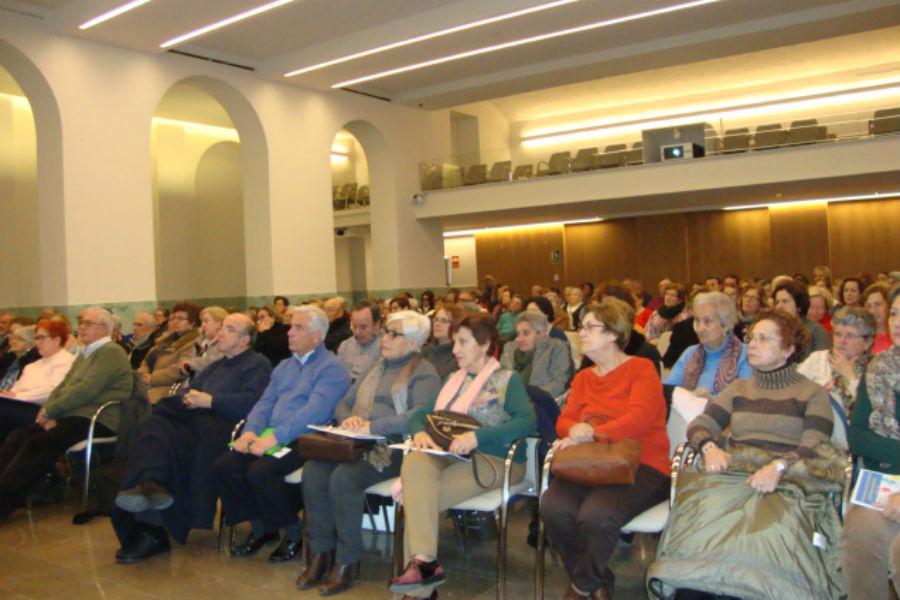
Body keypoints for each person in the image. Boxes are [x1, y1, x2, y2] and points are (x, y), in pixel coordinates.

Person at [648, 309, 839, 598]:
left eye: (764, 339)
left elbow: (814, 445)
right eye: (752, 338)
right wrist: (709, 447)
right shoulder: (739, 388)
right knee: (700, 529)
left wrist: (778, 467)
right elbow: (701, 424)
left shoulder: (811, 393)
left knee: (763, 536)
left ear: (789, 349)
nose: (753, 344)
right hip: (734, 476)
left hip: (786, 481)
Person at [388, 314, 536, 598]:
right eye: (455, 342)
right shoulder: (453, 379)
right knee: (416, 460)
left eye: (463, 342)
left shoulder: (507, 379)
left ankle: (418, 591)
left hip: (495, 459)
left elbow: (527, 422)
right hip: (451, 454)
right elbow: (420, 416)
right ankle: (425, 565)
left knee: (418, 498)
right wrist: (421, 432)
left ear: (485, 344)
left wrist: (478, 437)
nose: (455, 349)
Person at [111, 313, 272, 562]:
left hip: (222, 427)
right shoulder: (217, 365)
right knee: (154, 426)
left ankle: (151, 523)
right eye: (223, 328)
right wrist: (187, 397)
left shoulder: (257, 364)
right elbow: (191, 389)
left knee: (171, 446)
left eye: (230, 329)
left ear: (245, 340)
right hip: (193, 420)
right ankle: (149, 485)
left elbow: (254, 402)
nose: (221, 334)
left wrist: (211, 401)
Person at [300, 311, 440, 595]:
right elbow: (343, 403)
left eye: (394, 334)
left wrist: (373, 425)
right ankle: (320, 553)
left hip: (394, 447)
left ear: (414, 343)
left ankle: (347, 561)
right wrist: (349, 420)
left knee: (344, 478)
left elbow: (421, 415)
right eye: (386, 331)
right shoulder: (376, 367)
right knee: (314, 471)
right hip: (356, 441)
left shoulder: (424, 371)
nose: (385, 338)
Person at [541, 300, 669, 600]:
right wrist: (574, 429)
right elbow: (564, 420)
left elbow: (639, 419)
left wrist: (592, 434)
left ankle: (581, 587)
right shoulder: (584, 377)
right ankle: (594, 578)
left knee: (597, 515)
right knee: (552, 507)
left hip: (641, 463)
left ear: (613, 333)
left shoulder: (641, 369)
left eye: (589, 327)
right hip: (590, 462)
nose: (580, 333)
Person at [213, 306, 351, 563]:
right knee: (225, 466)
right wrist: (250, 432)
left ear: (317, 336)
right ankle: (262, 527)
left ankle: (294, 532)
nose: (290, 333)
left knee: (261, 471)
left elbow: (314, 413)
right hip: (272, 433)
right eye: (290, 326)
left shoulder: (332, 369)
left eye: (298, 328)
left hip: (307, 438)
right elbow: (264, 404)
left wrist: (275, 438)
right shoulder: (284, 367)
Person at [0, 307, 133, 522]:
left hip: (96, 419)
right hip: (73, 414)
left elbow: (85, 390)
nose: (81, 327)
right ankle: (11, 493)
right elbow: (64, 386)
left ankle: (4, 502)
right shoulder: (86, 352)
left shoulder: (111, 352)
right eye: (82, 322)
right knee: (19, 436)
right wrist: (47, 411)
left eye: (88, 323)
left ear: (104, 328)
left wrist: (52, 410)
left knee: (39, 444)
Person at [841, 285, 900, 600]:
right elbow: (858, 435)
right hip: (883, 482)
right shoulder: (878, 369)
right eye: (893, 314)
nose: (897, 322)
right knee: (859, 537)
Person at [799, 307, 875, 449]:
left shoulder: (876, 368)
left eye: (850, 336)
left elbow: (874, 412)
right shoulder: (817, 360)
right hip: (818, 444)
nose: (842, 341)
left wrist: (850, 376)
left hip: (858, 448)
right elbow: (795, 395)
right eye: (838, 334)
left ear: (868, 342)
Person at [664, 292, 751, 413]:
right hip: (687, 420)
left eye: (707, 322)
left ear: (725, 325)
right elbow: (668, 391)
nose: (699, 328)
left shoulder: (744, 354)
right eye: (697, 321)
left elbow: (745, 399)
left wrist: (708, 401)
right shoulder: (691, 353)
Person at [0, 320, 75, 443]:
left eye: (42, 338)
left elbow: (53, 391)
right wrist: (7, 394)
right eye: (36, 338)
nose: (37, 342)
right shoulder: (33, 365)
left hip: (43, 412)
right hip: (19, 406)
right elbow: (16, 389)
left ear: (57, 340)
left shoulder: (66, 361)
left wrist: (19, 395)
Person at [138, 302, 201, 404]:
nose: (175, 321)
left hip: (167, 389)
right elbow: (145, 361)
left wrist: (152, 378)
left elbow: (179, 370)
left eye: (180, 319)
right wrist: (143, 374)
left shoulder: (193, 343)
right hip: (148, 385)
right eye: (173, 318)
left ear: (192, 322)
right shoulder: (164, 340)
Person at [500, 310, 572, 400]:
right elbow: (500, 380)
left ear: (541, 333)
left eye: (526, 333)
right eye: (518, 334)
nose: (520, 339)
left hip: (539, 403)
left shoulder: (556, 348)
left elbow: (559, 384)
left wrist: (527, 397)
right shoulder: (509, 348)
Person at [773, 280, 831, 355]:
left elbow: (822, 362)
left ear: (798, 306)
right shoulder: (773, 329)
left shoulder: (816, 331)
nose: (779, 306)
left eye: (785, 301)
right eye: (777, 302)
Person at [336, 300, 382, 383]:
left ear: (377, 325)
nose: (357, 332)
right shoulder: (345, 345)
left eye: (363, 327)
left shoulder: (386, 349)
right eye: (354, 326)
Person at [421, 304, 462, 381]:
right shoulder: (425, 350)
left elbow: (437, 380)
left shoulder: (457, 355)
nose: (437, 324)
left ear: (455, 325)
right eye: (436, 319)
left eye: (444, 321)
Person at [181, 305, 227, 376]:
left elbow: (212, 363)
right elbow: (187, 357)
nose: (202, 325)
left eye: (206, 321)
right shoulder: (200, 341)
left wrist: (190, 364)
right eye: (202, 322)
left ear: (219, 323)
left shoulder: (225, 342)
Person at [0, 326, 39, 390]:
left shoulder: (31, 362)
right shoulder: (9, 357)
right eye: (14, 338)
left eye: (20, 339)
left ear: (30, 343)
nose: (14, 342)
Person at [863, 283, 892, 354]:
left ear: (889, 305)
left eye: (878, 304)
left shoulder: (896, 335)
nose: (873, 311)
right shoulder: (862, 336)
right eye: (868, 306)